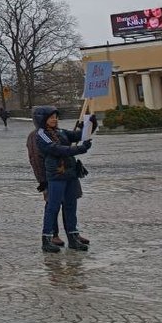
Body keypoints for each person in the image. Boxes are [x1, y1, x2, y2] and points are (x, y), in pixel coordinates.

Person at [33, 106, 92, 253]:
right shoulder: (41, 135)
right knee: (53, 207)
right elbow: (56, 149)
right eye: (51, 117)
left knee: (71, 206)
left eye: (56, 117)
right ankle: (46, 239)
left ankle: (73, 238)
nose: (55, 119)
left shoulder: (60, 131)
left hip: (70, 173)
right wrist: (79, 149)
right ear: (43, 119)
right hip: (56, 175)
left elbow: (76, 136)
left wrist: (90, 124)